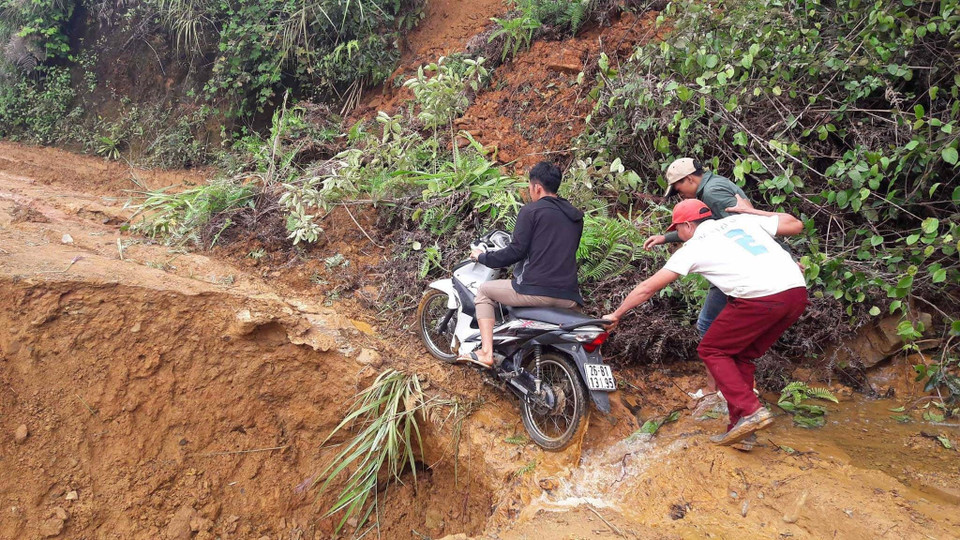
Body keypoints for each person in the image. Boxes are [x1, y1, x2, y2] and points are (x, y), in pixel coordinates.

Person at [603, 198, 809, 446]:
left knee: (711, 349)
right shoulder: (741, 220)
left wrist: (617, 313)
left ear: (688, 225)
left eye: (677, 230)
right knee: (741, 356)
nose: (678, 236)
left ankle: (751, 410)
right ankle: (742, 431)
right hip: (796, 293)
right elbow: (794, 224)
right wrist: (752, 210)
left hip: (760, 297)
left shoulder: (694, 247)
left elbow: (648, 288)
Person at [459, 161, 584, 368]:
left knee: (485, 291)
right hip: (570, 298)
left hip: (537, 290)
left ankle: (486, 353)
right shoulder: (575, 217)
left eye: (529, 188)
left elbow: (515, 251)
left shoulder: (531, 211)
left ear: (537, 187)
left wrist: (483, 257)